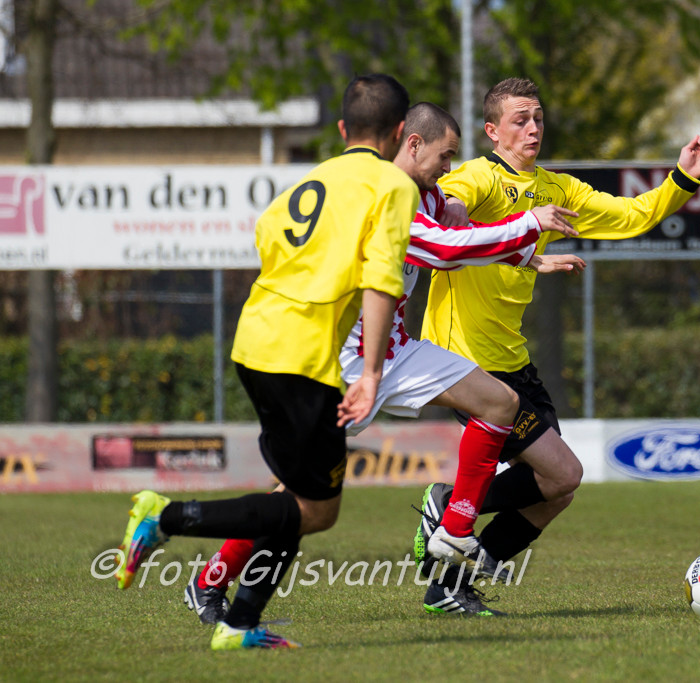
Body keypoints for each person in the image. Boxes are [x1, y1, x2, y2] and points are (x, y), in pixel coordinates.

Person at [182, 102, 586, 621]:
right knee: (299, 498)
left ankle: (455, 528)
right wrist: (528, 225)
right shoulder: (387, 194)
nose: (448, 168)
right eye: (444, 156)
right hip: (349, 366)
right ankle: (209, 581)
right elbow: (443, 250)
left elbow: (458, 240)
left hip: (397, 349)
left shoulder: (428, 193)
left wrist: (527, 256)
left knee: (499, 402)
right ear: (411, 144)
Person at [111, 73, 420, 650]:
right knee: (317, 511)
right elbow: (383, 282)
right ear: (401, 132)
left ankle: (239, 625)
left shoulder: (310, 181)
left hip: (255, 340)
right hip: (300, 355)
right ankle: (166, 518)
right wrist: (372, 372)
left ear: (342, 129)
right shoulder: (392, 185)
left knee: (297, 502)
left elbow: (267, 237)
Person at [416, 77, 700, 613]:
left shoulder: (557, 189)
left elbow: (631, 216)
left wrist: (683, 178)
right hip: (467, 360)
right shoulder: (479, 176)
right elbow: (451, 203)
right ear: (492, 131)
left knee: (557, 490)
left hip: (512, 358)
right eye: (519, 120)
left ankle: (449, 586)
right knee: (564, 473)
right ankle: (447, 507)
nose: (533, 128)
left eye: (538, 118)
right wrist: (461, 210)